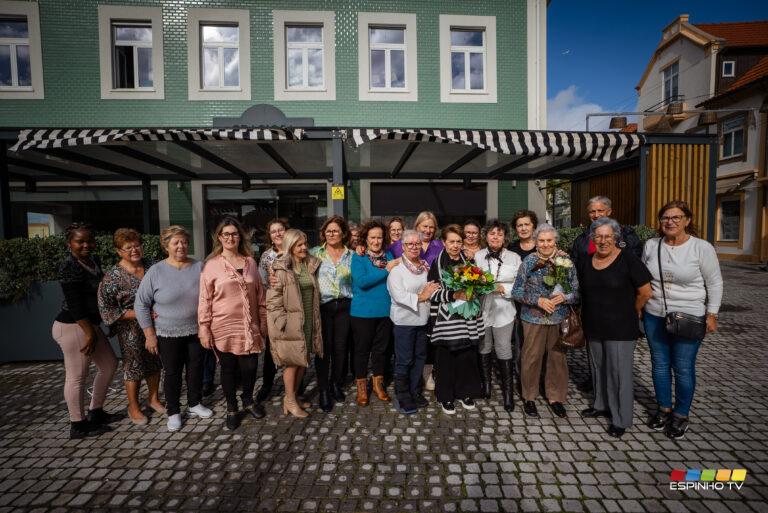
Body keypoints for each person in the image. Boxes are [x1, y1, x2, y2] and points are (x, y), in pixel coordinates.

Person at [642, 201, 722, 440]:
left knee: (683, 368)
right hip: (654, 313)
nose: (670, 222)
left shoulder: (701, 248)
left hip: (689, 315)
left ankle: (681, 414)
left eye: (676, 217)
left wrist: (712, 313)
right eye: (665, 217)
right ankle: (664, 409)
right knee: (659, 364)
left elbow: (715, 282)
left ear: (687, 220)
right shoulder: (651, 245)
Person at [577, 218, 652, 438]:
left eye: (607, 236)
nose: (602, 241)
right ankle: (600, 404)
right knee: (598, 368)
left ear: (616, 238)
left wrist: (633, 310)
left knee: (619, 373)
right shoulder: (586, 260)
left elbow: (646, 292)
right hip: (593, 323)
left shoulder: (628, 259)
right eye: (598, 236)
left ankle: (620, 418)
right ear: (592, 238)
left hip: (620, 326)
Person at [135, 225, 213, 432]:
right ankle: (174, 412)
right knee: (172, 373)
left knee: (196, 369)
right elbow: (141, 303)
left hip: (196, 331)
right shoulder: (156, 271)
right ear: (166, 245)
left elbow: (212, 294)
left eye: (184, 242)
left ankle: (195, 403)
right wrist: (149, 334)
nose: (181, 246)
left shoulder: (200, 267)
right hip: (167, 333)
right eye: (176, 242)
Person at [198, 217, 268, 430]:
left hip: (250, 326)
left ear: (240, 236)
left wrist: (263, 322)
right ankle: (231, 408)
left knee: (250, 367)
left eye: (234, 233)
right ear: (219, 237)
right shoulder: (211, 265)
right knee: (228, 369)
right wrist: (203, 327)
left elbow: (260, 295)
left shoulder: (250, 262)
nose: (230, 237)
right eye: (226, 234)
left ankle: (248, 400)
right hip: (223, 326)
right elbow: (204, 298)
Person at [52, 223, 121, 439]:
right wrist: (90, 333)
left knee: (109, 364)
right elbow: (75, 304)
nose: (86, 245)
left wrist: (105, 322)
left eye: (89, 240)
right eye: (79, 241)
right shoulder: (69, 267)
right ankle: (78, 425)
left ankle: (96, 411)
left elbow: (99, 297)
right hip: (73, 326)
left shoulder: (93, 261)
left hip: (90, 325)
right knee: (77, 376)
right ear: (69, 243)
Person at [512, 223, 579, 419]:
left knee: (557, 359)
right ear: (536, 242)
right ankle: (529, 397)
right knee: (531, 358)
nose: (545, 244)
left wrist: (565, 297)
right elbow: (517, 291)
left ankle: (555, 397)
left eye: (549, 240)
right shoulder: (529, 262)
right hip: (533, 317)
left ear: (555, 241)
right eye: (541, 240)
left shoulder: (566, 262)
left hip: (558, 317)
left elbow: (576, 291)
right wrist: (538, 300)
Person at [98, 228, 163, 426]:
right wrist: (140, 313)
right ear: (119, 251)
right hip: (131, 328)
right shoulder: (112, 277)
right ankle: (133, 406)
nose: (134, 250)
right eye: (128, 247)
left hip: (157, 323)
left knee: (155, 361)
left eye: (137, 245)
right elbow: (106, 309)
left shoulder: (152, 265)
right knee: (133, 366)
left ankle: (153, 399)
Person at [266, 229, 324, 419]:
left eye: (305, 243)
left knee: (302, 362)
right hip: (291, 325)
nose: (304, 247)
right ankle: (289, 400)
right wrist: (284, 323)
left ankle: (294, 397)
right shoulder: (281, 268)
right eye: (299, 245)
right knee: (292, 364)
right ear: (290, 246)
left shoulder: (309, 263)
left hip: (308, 321)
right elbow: (273, 302)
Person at [428, 225, 484, 414]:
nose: (455, 245)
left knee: (466, 357)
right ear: (444, 242)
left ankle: (465, 392)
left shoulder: (469, 262)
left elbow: (477, 286)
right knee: (446, 359)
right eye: (451, 241)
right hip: (446, 320)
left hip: (467, 318)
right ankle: (446, 397)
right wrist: (454, 294)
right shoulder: (436, 263)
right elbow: (432, 294)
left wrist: (474, 290)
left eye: (458, 241)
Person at [387, 230, 440, 414]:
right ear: (403, 246)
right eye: (410, 244)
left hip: (422, 319)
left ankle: (415, 391)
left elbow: (432, 288)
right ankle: (402, 395)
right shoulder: (396, 270)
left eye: (417, 244)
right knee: (404, 359)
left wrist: (430, 294)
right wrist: (422, 295)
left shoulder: (425, 266)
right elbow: (399, 295)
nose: (414, 247)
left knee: (419, 357)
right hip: (404, 321)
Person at [474, 220, 522, 412]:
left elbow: (520, 285)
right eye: (492, 233)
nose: (495, 237)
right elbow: (471, 282)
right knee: (484, 346)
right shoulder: (477, 256)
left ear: (505, 237)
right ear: (486, 236)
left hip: (505, 310)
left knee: (503, 348)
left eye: (499, 234)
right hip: (482, 309)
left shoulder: (515, 257)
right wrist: (481, 286)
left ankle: (508, 394)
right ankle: (486, 386)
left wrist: (504, 289)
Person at [350, 220, 398, 406]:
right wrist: (386, 269)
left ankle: (378, 384)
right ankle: (362, 386)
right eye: (372, 237)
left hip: (385, 311)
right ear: (366, 239)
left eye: (379, 237)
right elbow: (362, 281)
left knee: (381, 350)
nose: (376, 241)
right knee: (362, 351)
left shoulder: (389, 254)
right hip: (362, 312)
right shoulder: (358, 257)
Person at [309, 215, 354, 412]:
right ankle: (324, 389)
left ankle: (336, 383)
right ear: (323, 234)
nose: (332, 234)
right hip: (323, 307)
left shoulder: (352, 255)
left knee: (340, 348)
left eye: (336, 230)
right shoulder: (314, 254)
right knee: (322, 350)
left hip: (345, 305)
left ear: (343, 233)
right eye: (328, 231)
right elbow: (295, 267)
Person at [255, 218, 288, 405]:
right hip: (275, 306)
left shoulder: (296, 251)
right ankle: (267, 384)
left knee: (295, 345)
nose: (277, 234)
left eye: (280, 230)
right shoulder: (267, 256)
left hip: (295, 306)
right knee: (271, 348)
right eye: (273, 231)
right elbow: (262, 282)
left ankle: (296, 387)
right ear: (270, 235)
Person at [508, 209, 539, 396]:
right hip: (520, 305)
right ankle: (524, 383)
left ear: (533, 226)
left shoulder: (543, 246)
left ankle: (540, 380)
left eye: (527, 224)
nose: (523, 228)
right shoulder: (511, 249)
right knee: (522, 346)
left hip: (543, 307)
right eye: (520, 225)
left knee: (541, 348)